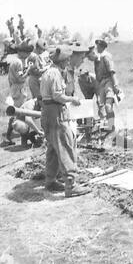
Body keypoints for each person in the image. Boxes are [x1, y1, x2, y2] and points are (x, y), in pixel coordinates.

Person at [40, 46, 90, 197]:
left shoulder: (47, 72)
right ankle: (71, 185)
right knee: (65, 146)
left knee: (53, 149)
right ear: (63, 61)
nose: (68, 62)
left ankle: (50, 181)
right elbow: (57, 95)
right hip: (56, 113)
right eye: (67, 60)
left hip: (47, 112)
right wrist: (72, 99)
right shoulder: (55, 73)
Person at [87, 39, 120, 133]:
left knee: (108, 106)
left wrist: (115, 85)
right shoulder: (97, 60)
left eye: (89, 56)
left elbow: (112, 71)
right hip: (101, 83)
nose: (89, 59)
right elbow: (98, 76)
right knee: (101, 105)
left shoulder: (106, 57)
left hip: (108, 82)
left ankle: (111, 127)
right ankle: (107, 126)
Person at [5, 40, 34, 145]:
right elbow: (20, 78)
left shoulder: (15, 61)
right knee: (19, 113)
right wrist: (29, 71)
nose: (28, 55)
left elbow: (12, 78)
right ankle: (20, 138)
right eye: (27, 53)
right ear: (21, 52)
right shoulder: (17, 62)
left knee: (17, 113)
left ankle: (12, 136)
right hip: (19, 89)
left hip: (16, 88)